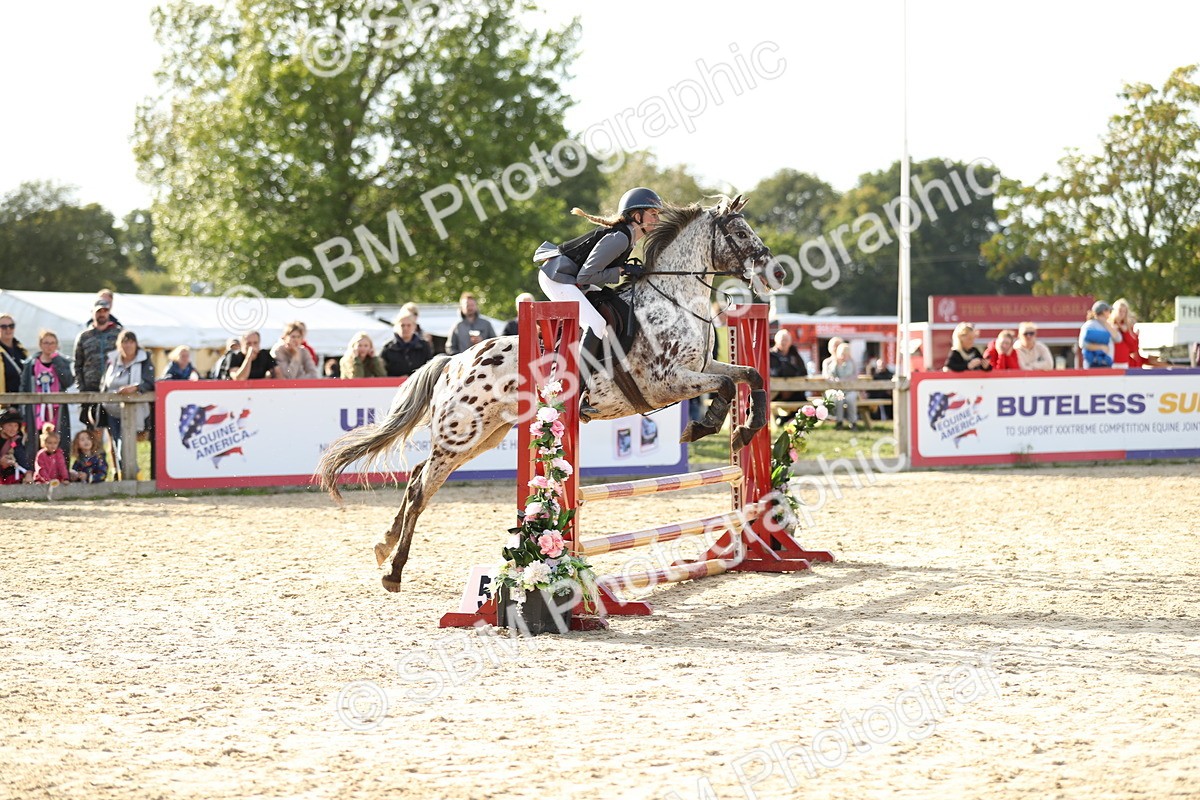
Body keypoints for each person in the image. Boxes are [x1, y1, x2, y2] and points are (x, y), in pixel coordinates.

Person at [532, 187, 663, 417]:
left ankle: (596, 376)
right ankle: (572, 391)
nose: (658, 219)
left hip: (572, 277)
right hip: (559, 277)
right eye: (653, 213)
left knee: (613, 306)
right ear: (637, 216)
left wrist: (627, 270)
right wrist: (621, 270)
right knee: (596, 324)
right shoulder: (620, 238)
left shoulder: (629, 238)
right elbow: (586, 276)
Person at [100, 330, 155, 480]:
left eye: (131, 342)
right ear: (119, 344)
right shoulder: (112, 360)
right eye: (124, 342)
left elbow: (150, 382)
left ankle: (131, 476)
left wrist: (135, 388)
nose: (128, 345)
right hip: (112, 409)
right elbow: (104, 382)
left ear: (136, 344)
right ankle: (124, 476)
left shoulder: (145, 360)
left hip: (134, 410)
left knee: (125, 444)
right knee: (117, 445)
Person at [20, 329, 73, 451]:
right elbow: (23, 386)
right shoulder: (31, 363)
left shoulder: (62, 361)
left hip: (56, 410)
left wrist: (57, 361)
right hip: (36, 410)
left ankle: (59, 467)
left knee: (58, 439)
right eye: (46, 343)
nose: (49, 346)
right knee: (36, 440)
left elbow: (68, 381)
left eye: (52, 343)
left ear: (57, 345)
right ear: (40, 344)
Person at [73, 298, 123, 428]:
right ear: (93, 313)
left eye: (105, 311)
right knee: (93, 430)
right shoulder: (84, 336)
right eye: (99, 311)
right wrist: (82, 388)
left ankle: (114, 449)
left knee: (114, 428)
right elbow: (77, 364)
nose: (102, 314)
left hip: (113, 387)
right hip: (91, 388)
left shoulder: (119, 334)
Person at [1111, 299, 1170, 369]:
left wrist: (1127, 332)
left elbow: (1133, 348)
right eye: (1120, 311)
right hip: (1115, 362)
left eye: (1124, 311)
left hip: (1128, 364)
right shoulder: (1110, 326)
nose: (1121, 314)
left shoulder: (1128, 328)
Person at [381, 311, 433, 377]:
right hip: (393, 386)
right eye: (402, 325)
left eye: (409, 325)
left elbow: (429, 369)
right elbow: (382, 372)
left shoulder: (424, 346)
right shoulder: (388, 347)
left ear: (414, 326)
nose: (405, 328)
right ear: (396, 326)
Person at [823, 342, 859, 429]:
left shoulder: (851, 362)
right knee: (838, 398)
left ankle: (853, 423)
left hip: (849, 390)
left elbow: (854, 376)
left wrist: (845, 380)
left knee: (850, 399)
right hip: (836, 389)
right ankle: (839, 422)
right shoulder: (831, 363)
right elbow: (828, 376)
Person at [1079, 301, 1122, 369]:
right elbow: (1082, 344)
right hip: (1093, 365)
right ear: (1104, 311)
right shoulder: (1090, 325)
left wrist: (1107, 325)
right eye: (1108, 311)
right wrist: (1101, 347)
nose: (1110, 313)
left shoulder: (1108, 325)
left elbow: (1118, 339)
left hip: (1107, 364)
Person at [0, 312, 28, 395]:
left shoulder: (22, 350)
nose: (8, 329)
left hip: (24, 402)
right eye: (3, 327)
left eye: (11, 326)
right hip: (4, 404)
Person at [0, 408, 30, 484]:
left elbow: (20, 456)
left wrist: (28, 472)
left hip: (9, 473)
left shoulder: (16, 440)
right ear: (2, 425)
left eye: (16, 425)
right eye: (10, 425)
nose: (13, 429)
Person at [867, 357, 894, 421]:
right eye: (880, 365)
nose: (881, 366)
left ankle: (889, 417)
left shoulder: (890, 374)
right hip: (876, 394)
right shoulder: (874, 375)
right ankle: (874, 418)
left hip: (887, 394)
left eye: (882, 364)